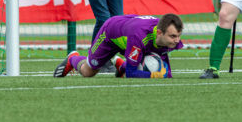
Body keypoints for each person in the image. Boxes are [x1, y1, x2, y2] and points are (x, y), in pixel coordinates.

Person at [53, 14, 184, 78]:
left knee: (140, 58)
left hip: (128, 33)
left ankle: (120, 64)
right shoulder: (140, 38)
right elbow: (131, 74)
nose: (177, 40)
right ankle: (73, 58)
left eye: (178, 36)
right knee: (89, 72)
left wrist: (168, 75)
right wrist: (156, 75)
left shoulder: (168, 36)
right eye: (173, 36)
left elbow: (164, 57)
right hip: (110, 33)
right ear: (160, 33)